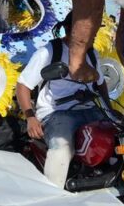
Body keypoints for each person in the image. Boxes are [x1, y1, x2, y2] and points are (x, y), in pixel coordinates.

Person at [16, 13, 109, 188]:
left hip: (90, 108)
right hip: (57, 113)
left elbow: (101, 84)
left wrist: (110, 110)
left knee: (118, 137)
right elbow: (23, 85)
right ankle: (53, 196)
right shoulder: (50, 51)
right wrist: (30, 117)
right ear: (71, 30)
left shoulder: (92, 53)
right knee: (62, 148)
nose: (93, 34)